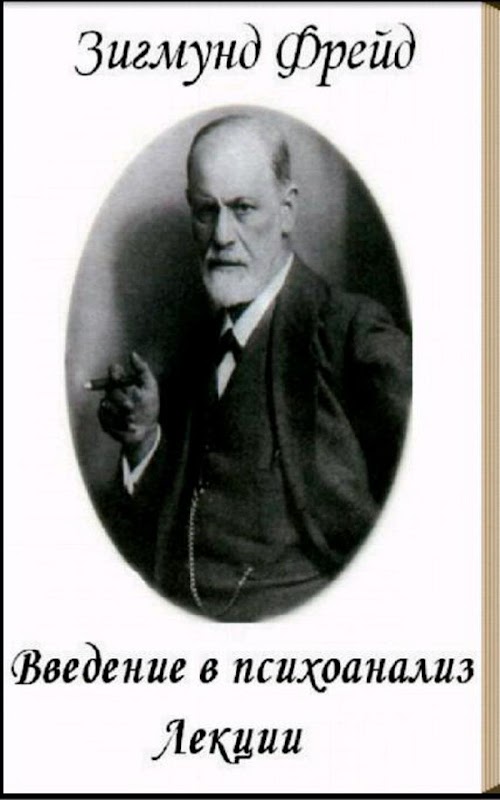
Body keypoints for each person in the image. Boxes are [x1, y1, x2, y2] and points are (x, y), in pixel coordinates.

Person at [94, 114, 411, 622]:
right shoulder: (195, 349)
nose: (221, 235)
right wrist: (143, 438)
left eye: (243, 208)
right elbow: (169, 526)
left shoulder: (352, 334)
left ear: (287, 210)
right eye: (206, 211)